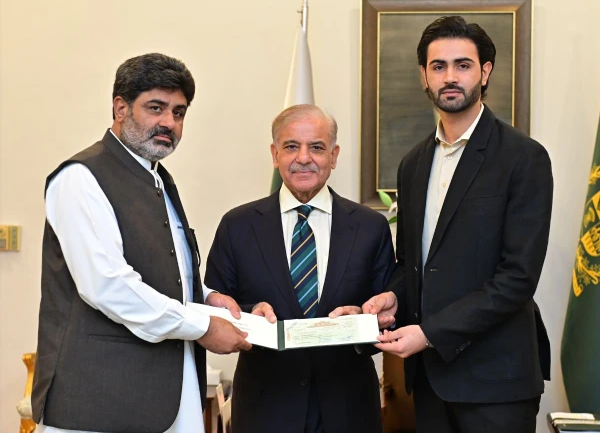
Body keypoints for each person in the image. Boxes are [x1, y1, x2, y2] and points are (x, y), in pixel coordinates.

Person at [31, 53, 252, 433]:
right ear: (120, 107)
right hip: (99, 399)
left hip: (166, 394)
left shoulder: (158, 179)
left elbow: (163, 270)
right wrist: (202, 325)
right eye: (156, 108)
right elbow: (107, 285)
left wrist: (207, 297)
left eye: (179, 113)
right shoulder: (81, 177)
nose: (169, 123)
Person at [364, 16, 553, 433]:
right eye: (438, 66)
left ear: (485, 72)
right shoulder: (413, 164)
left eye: (462, 65)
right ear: (424, 76)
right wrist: (393, 297)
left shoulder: (524, 158)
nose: (450, 77)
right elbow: (413, 264)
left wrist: (429, 333)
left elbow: (517, 278)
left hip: (497, 382)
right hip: (429, 381)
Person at [204, 104, 395, 433]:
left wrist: (363, 320)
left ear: (334, 156)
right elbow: (214, 311)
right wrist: (250, 315)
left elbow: (390, 316)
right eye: (291, 146)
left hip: (349, 411)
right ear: (274, 154)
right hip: (266, 409)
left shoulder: (370, 227)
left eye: (316, 147)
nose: (303, 158)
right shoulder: (237, 226)